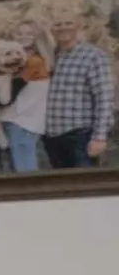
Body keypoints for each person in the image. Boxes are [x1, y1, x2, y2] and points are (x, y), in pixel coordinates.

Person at [43, 10, 114, 168]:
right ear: (52, 29)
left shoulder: (93, 56)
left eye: (68, 23)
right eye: (58, 24)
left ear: (78, 27)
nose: (63, 28)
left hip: (80, 137)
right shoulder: (52, 56)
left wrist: (99, 137)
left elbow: (104, 97)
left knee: (87, 188)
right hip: (52, 137)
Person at [0, 20, 54, 172]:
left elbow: (12, 91)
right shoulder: (19, 60)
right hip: (20, 119)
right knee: (20, 165)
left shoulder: (33, 61)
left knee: (23, 167)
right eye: (19, 33)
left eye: (29, 33)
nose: (23, 37)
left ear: (37, 36)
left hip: (22, 121)